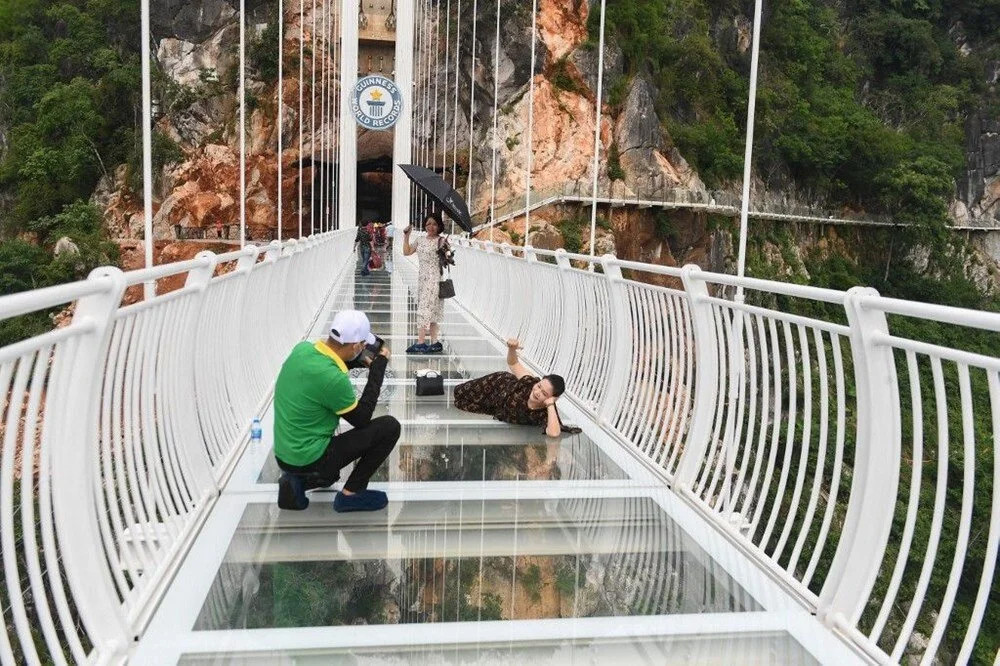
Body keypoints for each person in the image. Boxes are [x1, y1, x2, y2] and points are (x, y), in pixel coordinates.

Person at [272, 310, 400, 512]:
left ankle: (297, 481)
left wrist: (359, 361)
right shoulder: (334, 380)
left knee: (331, 476)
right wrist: (378, 368)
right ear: (357, 346)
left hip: (284, 456)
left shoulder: (302, 349)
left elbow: (328, 365)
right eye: (363, 346)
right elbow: (362, 418)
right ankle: (351, 494)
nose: (364, 349)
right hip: (310, 459)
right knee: (390, 427)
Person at [453, 338, 579, 437]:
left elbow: (554, 433)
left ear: (553, 398)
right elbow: (513, 363)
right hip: (496, 384)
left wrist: (551, 405)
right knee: (458, 392)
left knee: (461, 404)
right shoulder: (529, 381)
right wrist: (512, 349)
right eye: (539, 386)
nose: (537, 391)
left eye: (544, 393)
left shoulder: (545, 413)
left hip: (495, 405)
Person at [402, 212, 450, 354]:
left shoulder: (441, 241)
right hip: (422, 279)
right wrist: (406, 236)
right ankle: (435, 343)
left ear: (439, 226)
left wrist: (446, 252)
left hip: (434, 279)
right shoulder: (420, 240)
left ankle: (421, 342)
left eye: (434, 224)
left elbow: (448, 260)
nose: (431, 226)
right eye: (428, 223)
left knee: (424, 309)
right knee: (432, 309)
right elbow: (407, 252)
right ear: (424, 225)